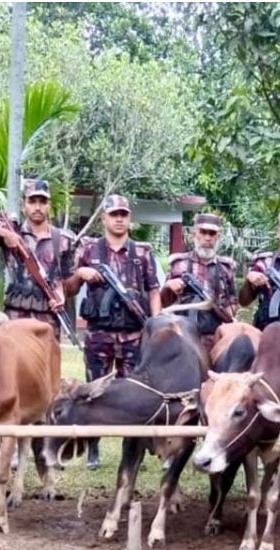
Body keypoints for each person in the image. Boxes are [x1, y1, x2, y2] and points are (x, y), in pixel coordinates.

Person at [64, 194, 162, 469]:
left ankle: (132, 449)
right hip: (99, 335)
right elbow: (68, 288)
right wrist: (81, 273)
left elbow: (153, 290)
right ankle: (92, 448)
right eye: (114, 214)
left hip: (133, 333)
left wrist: (155, 323)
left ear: (129, 219)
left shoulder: (141, 252)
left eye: (124, 214)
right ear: (104, 218)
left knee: (133, 393)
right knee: (93, 391)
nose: (119, 219)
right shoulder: (89, 250)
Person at [0, 179, 76, 337]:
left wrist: (61, 292)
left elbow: (68, 281)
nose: (37, 207)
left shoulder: (63, 240)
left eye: (42, 202)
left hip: (47, 319)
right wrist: (5, 234)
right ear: (23, 204)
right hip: (15, 317)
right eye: (32, 201)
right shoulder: (13, 231)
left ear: (49, 205)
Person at [162, 212, 238, 353]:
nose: (207, 238)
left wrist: (227, 316)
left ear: (218, 237)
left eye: (212, 234)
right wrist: (168, 286)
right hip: (182, 336)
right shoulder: (178, 264)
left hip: (215, 338)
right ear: (193, 234)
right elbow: (163, 303)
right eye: (203, 232)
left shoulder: (226, 268)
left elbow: (232, 303)